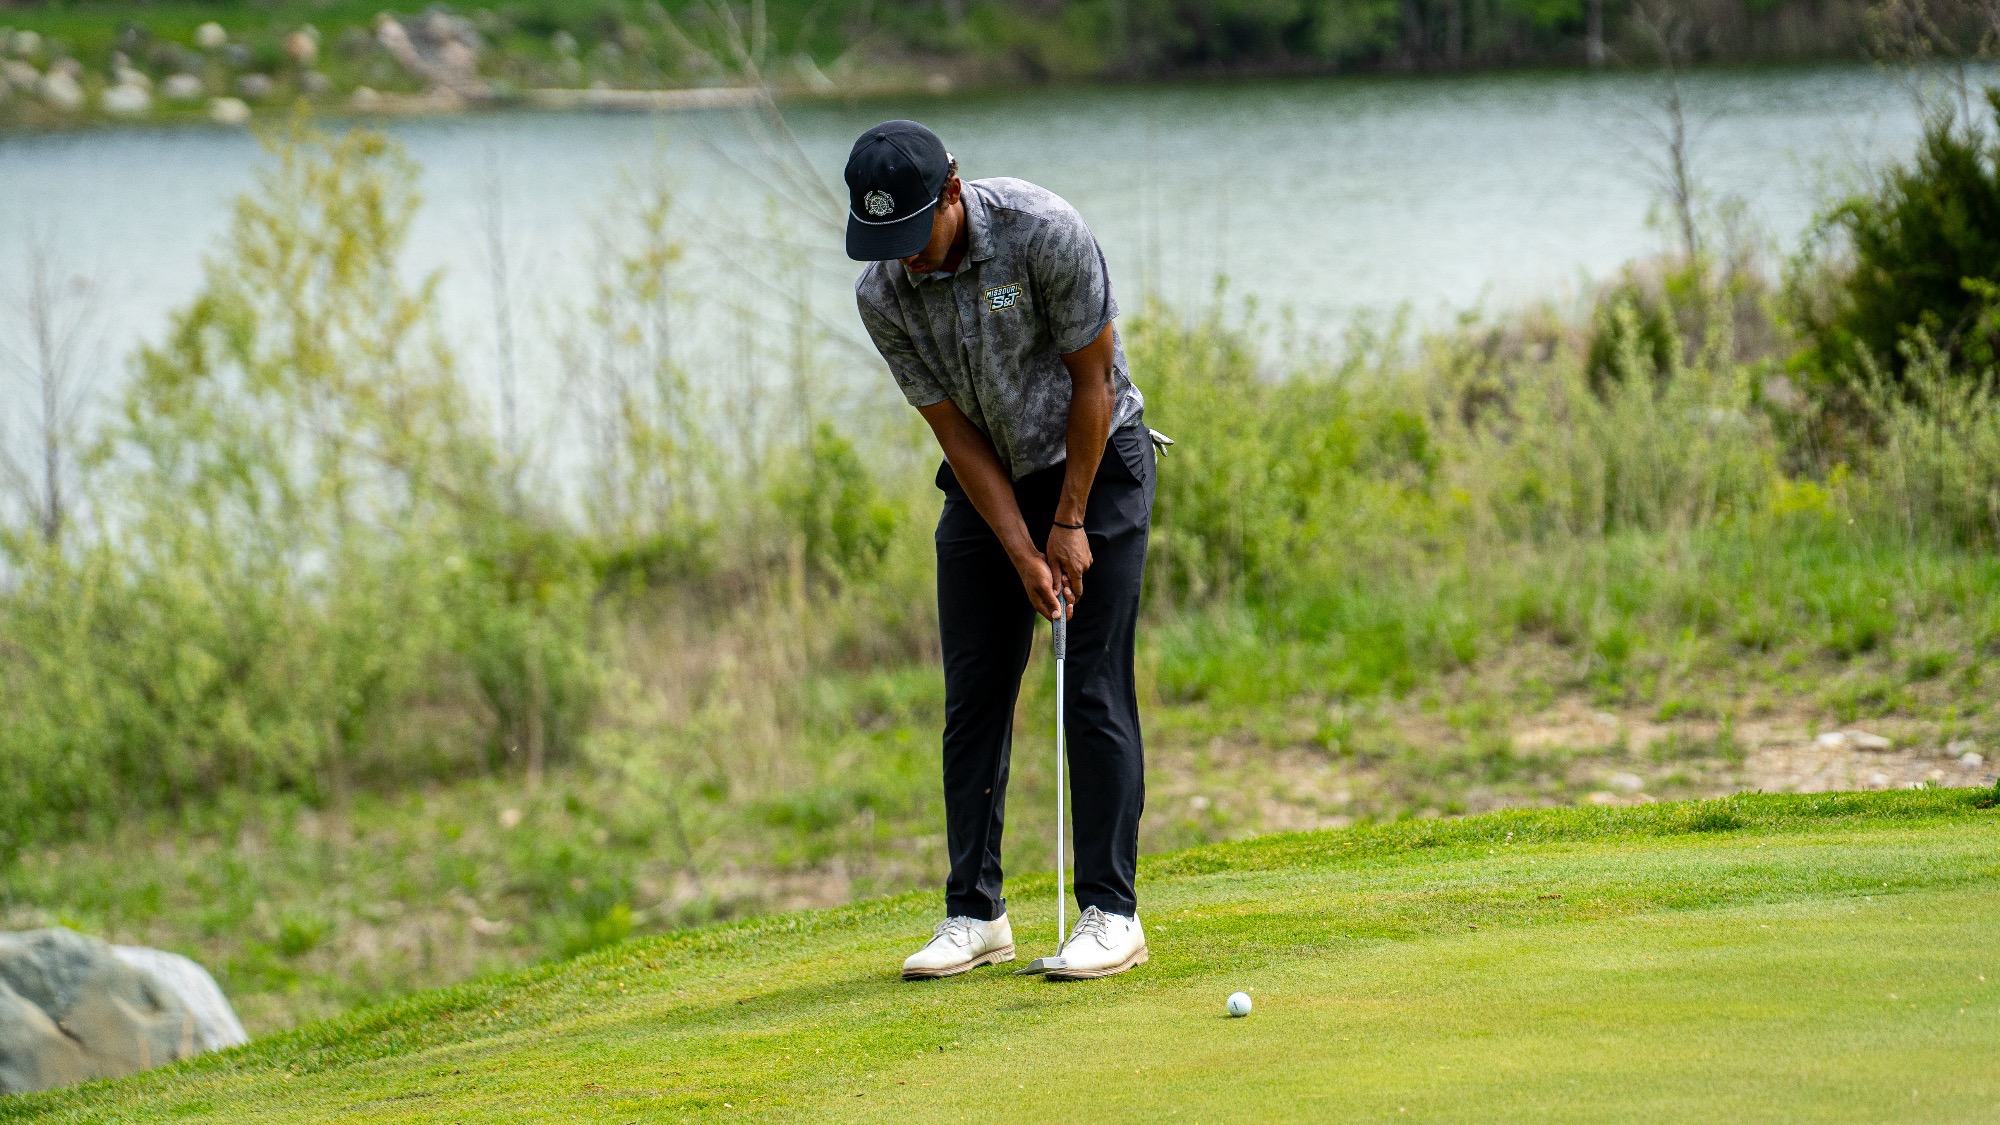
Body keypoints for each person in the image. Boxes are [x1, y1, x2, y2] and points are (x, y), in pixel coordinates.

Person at [845, 120, 1158, 981]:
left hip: (1098, 461)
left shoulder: (1041, 230)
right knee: (974, 695)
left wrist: (1066, 523)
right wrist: (1020, 548)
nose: (905, 260)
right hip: (990, 479)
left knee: (1089, 681)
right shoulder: (881, 295)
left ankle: (1111, 911)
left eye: (913, 235)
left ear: (951, 189)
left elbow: (1093, 381)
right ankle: (976, 913)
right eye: (884, 243)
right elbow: (954, 434)